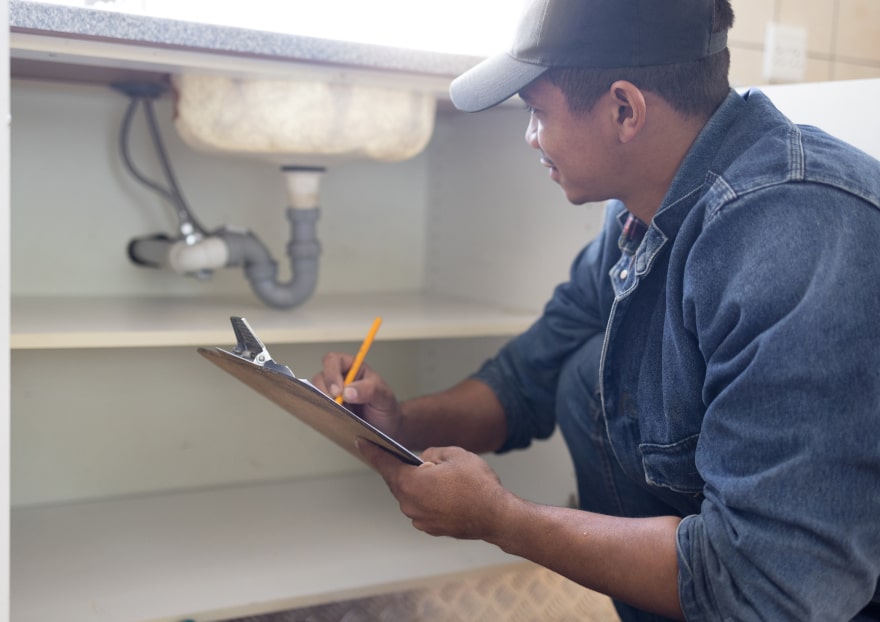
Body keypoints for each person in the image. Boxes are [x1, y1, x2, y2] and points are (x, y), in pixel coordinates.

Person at [313, 0, 880, 619]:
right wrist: (401, 425)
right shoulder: (645, 210)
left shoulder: (792, 241)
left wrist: (503, 520)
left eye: (536, 112)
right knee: (585, 366)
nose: (531, 136)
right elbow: (529, 377)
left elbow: (773, 586)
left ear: (623, 109)